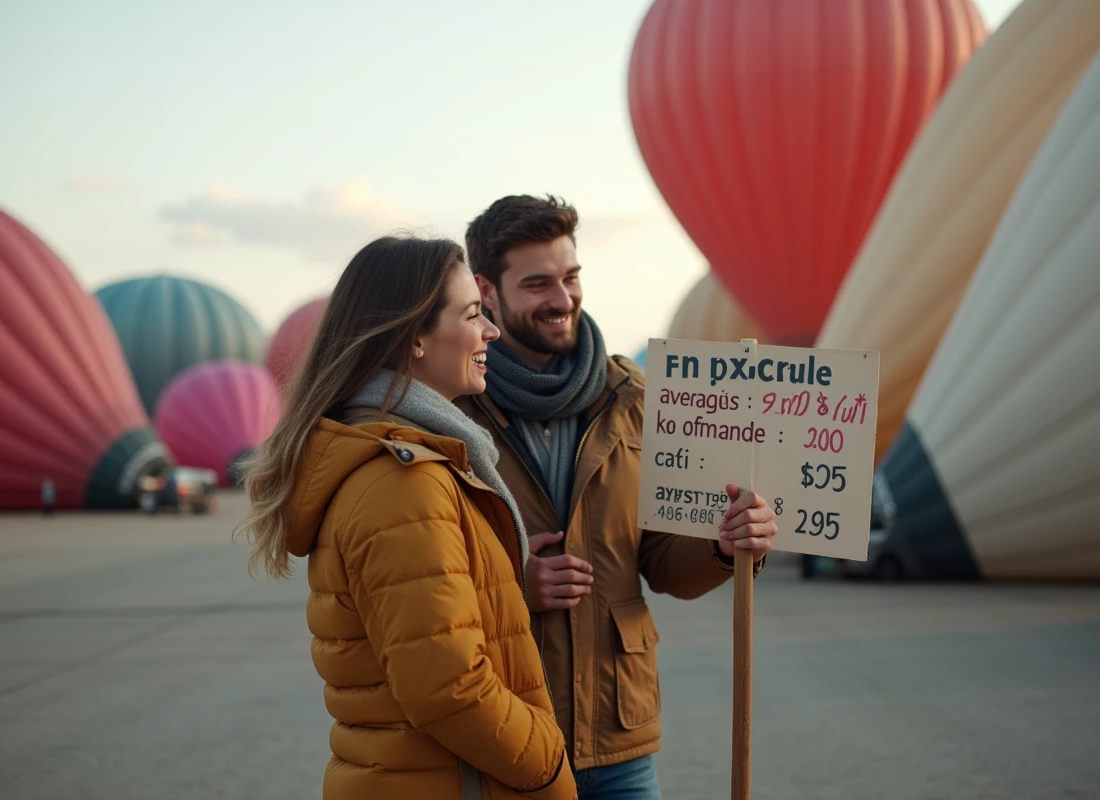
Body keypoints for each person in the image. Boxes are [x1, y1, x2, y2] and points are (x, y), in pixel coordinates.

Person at [457, 196, 779, 799]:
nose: (562, 298)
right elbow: (417, 572)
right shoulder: (452, 407)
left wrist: (723, 542)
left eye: (571, 276)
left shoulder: (636, 397)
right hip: (504, 730)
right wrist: (510, 588)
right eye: (538, 284)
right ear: (487, 291)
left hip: (618, 738)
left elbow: (662, 565)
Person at [236, 235, 577, 800]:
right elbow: (448, 688)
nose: (491, 332)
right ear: (415, 338)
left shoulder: (411, 463)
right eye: (472, 315)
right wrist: (547, 763)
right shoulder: (405, 482)